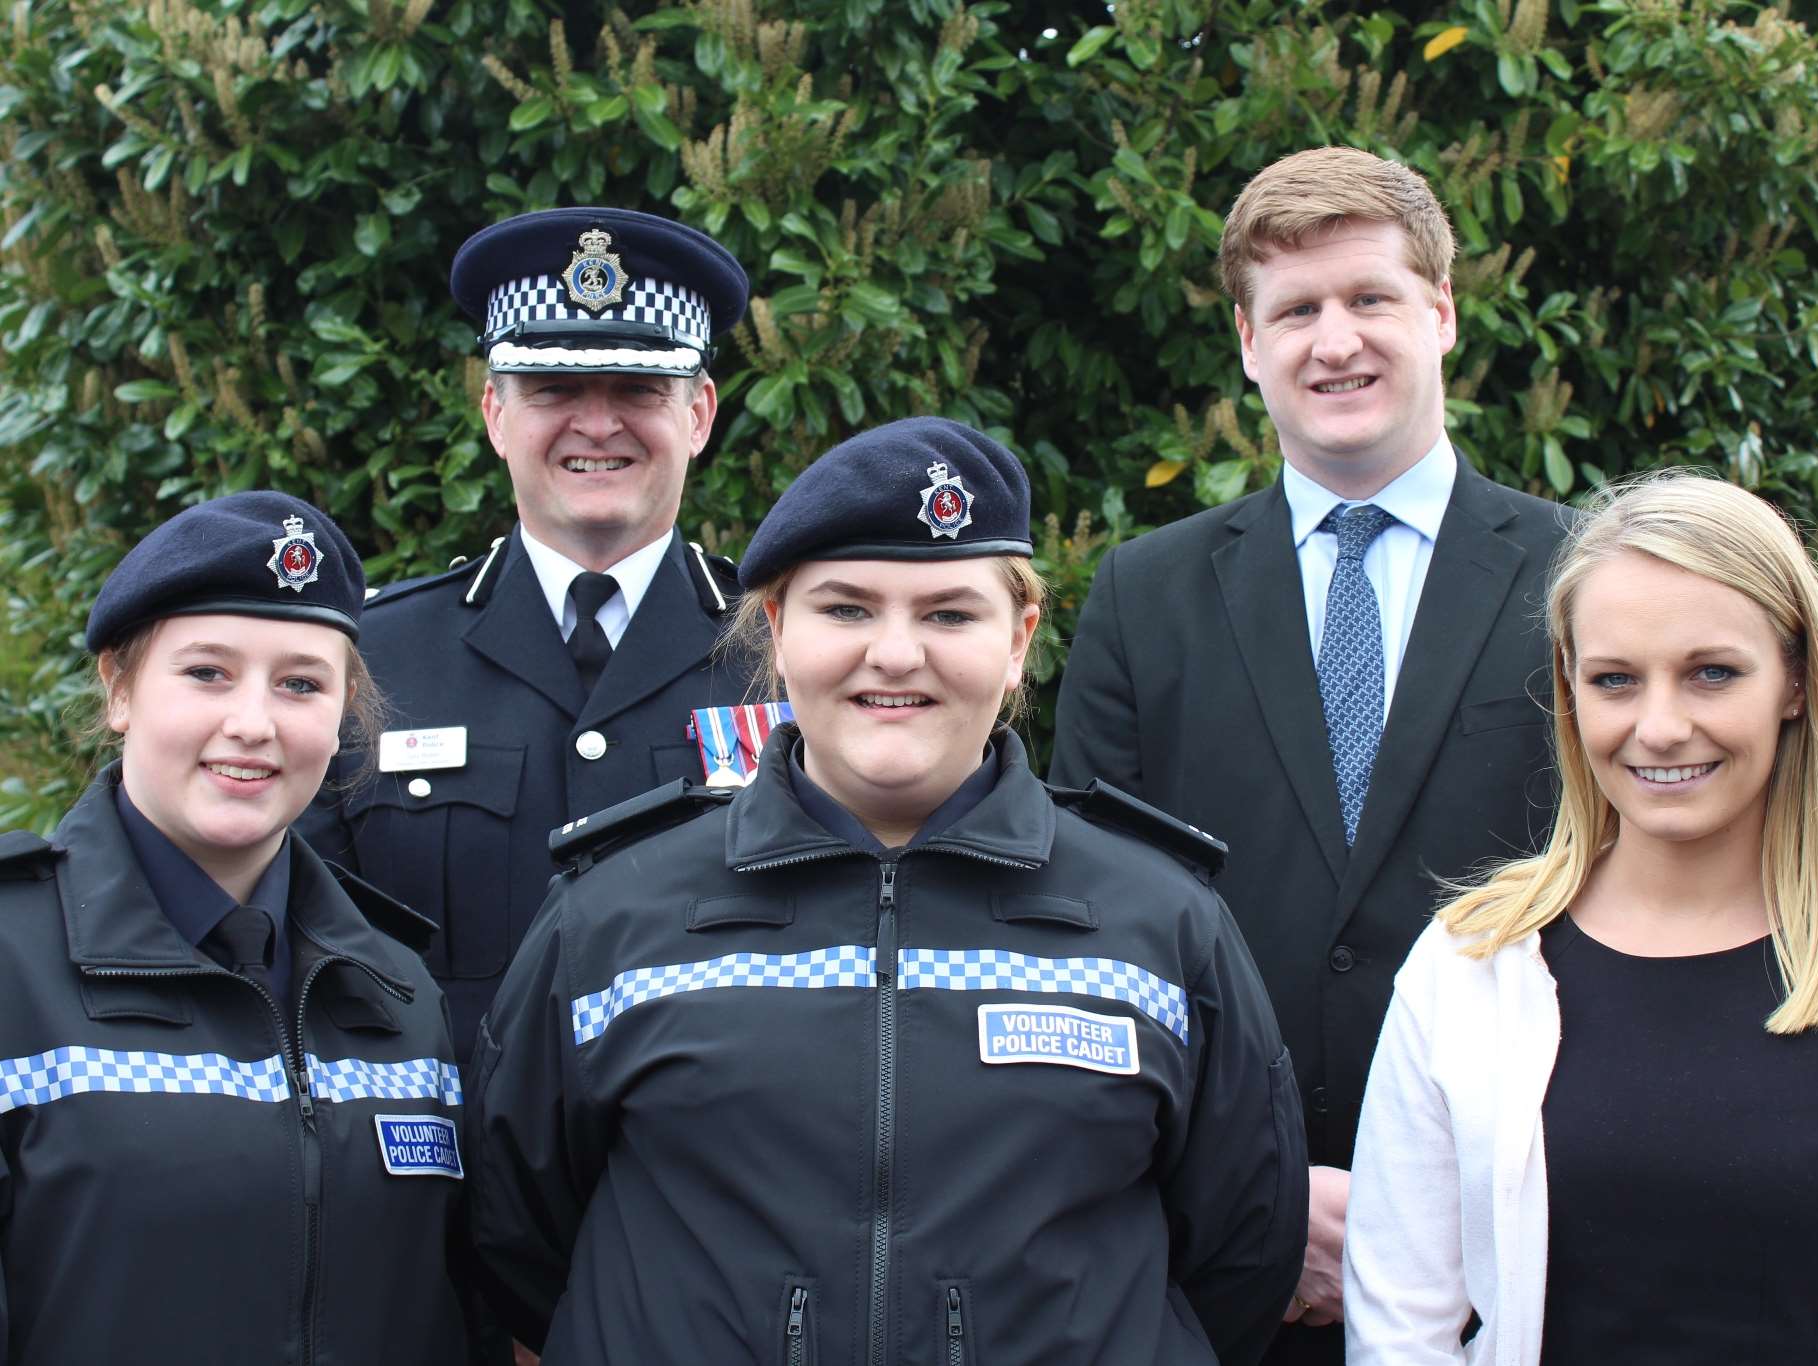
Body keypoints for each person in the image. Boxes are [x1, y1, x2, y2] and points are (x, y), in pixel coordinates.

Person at [468, 417, 1308, 1364]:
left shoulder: (1162, 922)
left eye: (950, 614)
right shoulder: (612, 916)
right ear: (778, 633)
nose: (897, 655)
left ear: (1019, 640)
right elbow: (520, 1239)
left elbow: (1241, 1252)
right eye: (846, 610)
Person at [1049, 145, 1568, 1363]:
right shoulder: (1144, 593)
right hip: (1219, 1259)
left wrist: (1428, 1196)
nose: (1334, 341)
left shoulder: (1579, 576)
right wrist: (1255, 1189)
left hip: (1514, 1244)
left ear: (1441, 311)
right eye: (1296, 311)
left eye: (1369, 298)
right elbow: (1093, 926)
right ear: (1247, 342)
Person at [1344, 471, 1818, 1363]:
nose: (1659, 727)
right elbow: (1401, 1323)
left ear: (1797, 682)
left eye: (1711, 674)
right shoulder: (1469, 965)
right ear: (1569, 689)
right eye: (1616, 679)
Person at [0, 492, 468, 1361]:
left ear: (341, 718)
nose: (252, 724)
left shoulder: (398, 992)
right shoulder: (11, 962)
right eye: (207, 673)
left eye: (300, 684)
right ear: (120, 689)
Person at [299, 207, 756, 1054]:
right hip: (445, 1163)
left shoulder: (787, 655)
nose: (596, 424)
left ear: (698, 415)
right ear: (496, 414)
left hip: (706, 1167)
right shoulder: (365, 659)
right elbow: (306, 939)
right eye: (553, 390)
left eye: (638, 391)